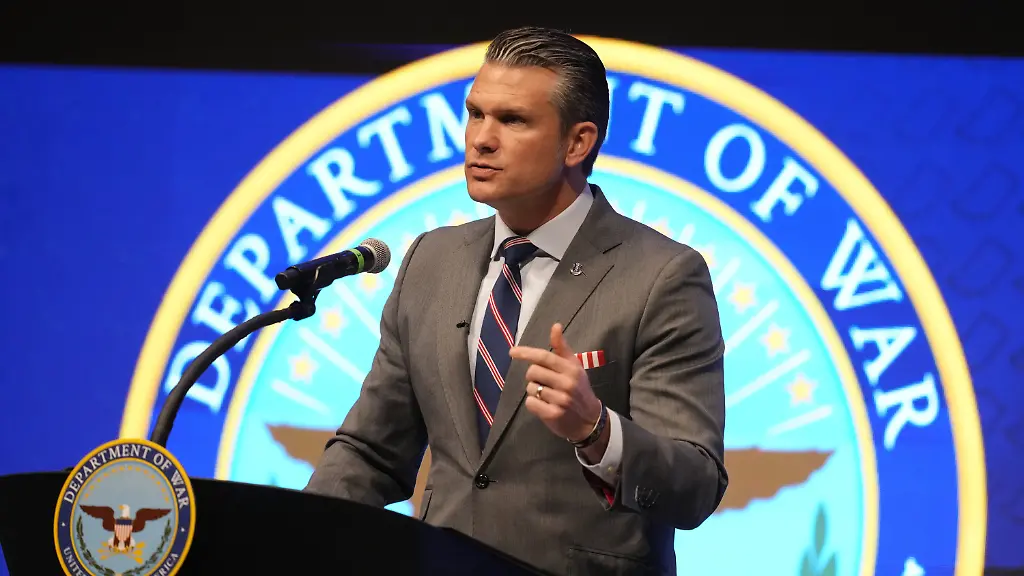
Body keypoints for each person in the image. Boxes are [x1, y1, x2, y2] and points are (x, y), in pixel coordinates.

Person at [305, 26, 728, 575]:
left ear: (577, 143)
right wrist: (289, 536)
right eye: (475, 114)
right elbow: (371, 451)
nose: (481, 138)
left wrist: (597, 429)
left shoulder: (661, 276)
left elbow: (695, 485)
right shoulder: (431, 261)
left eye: (512, 120)